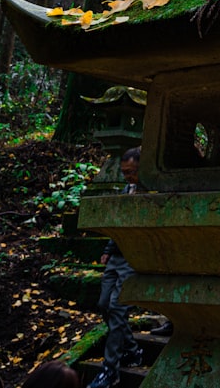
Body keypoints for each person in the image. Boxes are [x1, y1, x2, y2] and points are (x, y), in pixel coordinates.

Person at [88, 147, 144, 388]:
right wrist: (108, 250)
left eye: (131, 172)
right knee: (104, 305)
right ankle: (132, 350)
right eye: (124, 172)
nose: (128, 177)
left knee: (117, 309)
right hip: (116, 256)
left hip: (133, 258)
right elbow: (118, 223)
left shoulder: (147, 192)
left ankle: (110, 370)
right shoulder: (126, 189)